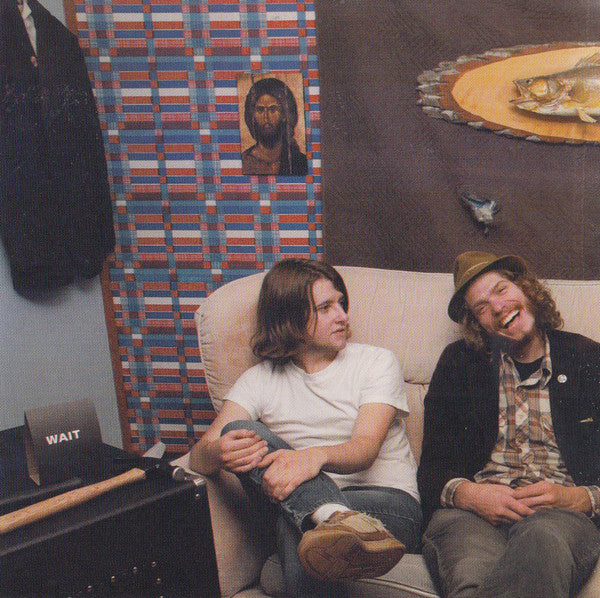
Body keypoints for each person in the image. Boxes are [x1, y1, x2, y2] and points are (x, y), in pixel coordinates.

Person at [190, 258, 422, 597]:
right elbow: (198, 459)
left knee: (299, 529)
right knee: (237, 429)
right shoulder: (259, 380)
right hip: (290, 506)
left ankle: (328, 517)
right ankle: (329, 516)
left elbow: (365, 448)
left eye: (341, 303)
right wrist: (219, 452)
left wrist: (312, 457)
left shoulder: (376, 362)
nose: (343, 316)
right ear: (290, 318)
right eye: (326, 307)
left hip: (387, 508)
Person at [417, 250, 600, 598]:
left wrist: (577, 498)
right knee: (471, 570)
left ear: (526, 288)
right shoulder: (458, 363)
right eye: (482, 307)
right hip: (472, 515)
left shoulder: (589, 358)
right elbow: (432, 468)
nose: (498, 307)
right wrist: (470, 495)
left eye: (501, 290)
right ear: (477, 324)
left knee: (542, 542)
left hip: (558, 518)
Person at [241, 77, 308, 175]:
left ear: (284, 115)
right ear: (252, 116)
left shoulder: (300, 162)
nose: (266, 117)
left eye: (272, 110)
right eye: (260, 110)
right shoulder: (244, 162)